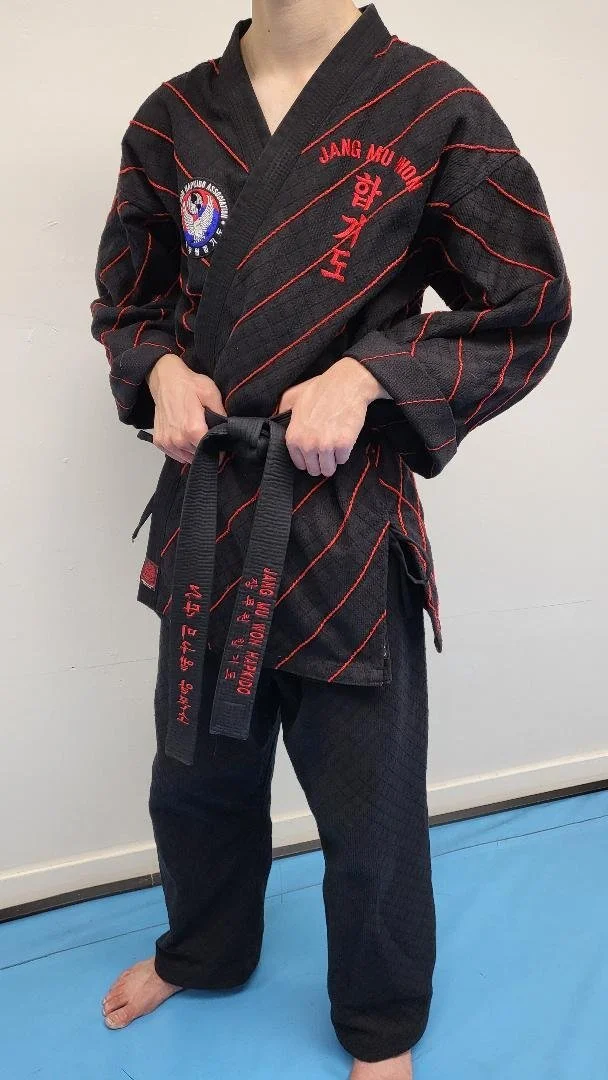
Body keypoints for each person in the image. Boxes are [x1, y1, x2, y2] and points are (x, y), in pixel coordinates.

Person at [90, 1, 571, 1076]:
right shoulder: (175, 117)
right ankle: (203, 951)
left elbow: (527, 302)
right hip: (211, 507)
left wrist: (370, 374)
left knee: (368, 796)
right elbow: (129, 303)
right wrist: (159, 370)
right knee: (195, 775)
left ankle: (382, 1019)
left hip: (344, 517)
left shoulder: (431, 106)